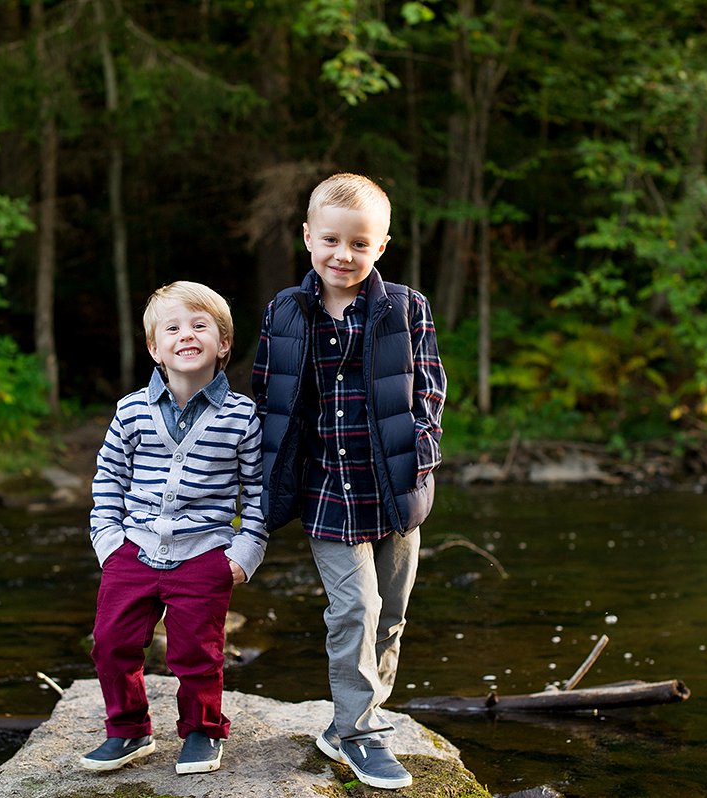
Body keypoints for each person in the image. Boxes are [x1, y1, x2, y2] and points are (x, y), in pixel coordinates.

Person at [251, 172, 447, 790]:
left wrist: (422, 451)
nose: (344, 255)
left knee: (390, 611)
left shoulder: (405, 308)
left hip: (393, 483)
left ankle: (365, 710)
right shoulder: (286, 309)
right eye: (331, 240)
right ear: (308, 237)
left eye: (360, 244)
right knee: (355, 608)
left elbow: (431, 390)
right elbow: (267, 394)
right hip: (325, 491)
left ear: (381, 246)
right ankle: (355, 731)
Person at [83, 281, 266, 776]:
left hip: (204, 554)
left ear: (222, 343)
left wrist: (242, 556)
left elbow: (257, 495)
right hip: (134, 550)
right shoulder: (131, 410)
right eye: (173, 327)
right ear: (154, 347)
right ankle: (128, 730)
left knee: (196, 653)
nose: (187, 335)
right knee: (111, 641)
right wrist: (109, 542)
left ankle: (203, 731)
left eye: (200, 325)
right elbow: (108, 480)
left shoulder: (241, 416)